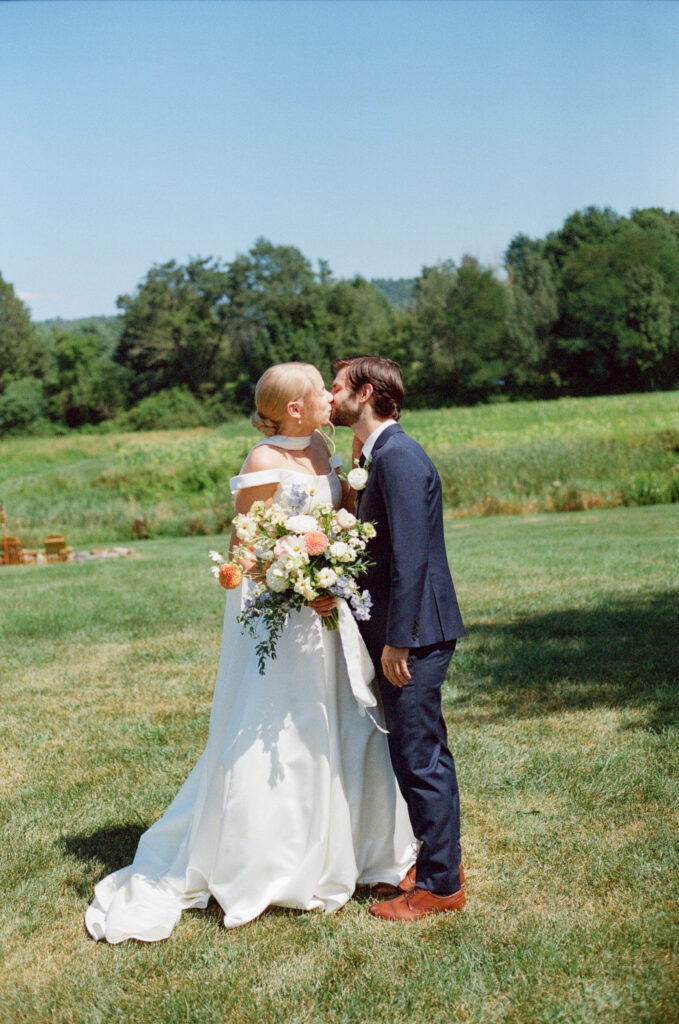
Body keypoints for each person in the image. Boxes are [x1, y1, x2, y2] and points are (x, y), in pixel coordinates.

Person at [85, 362, 415, 942]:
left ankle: (356, 849)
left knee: (337, 721)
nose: (328, 399)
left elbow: (338, 519)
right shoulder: (262, 461)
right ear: (294, 407)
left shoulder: (320, 448)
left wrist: (331, 572)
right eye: (320, 391)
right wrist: (297, 580)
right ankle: (267, 860)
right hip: (277, 614)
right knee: (277, 726)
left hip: (324, 615)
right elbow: (245, 549)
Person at [331, 355, 466, 922]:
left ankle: (440, 887)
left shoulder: (400, 456)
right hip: (401, 629)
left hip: (416, 634)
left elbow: (411, 557)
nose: (328, 395)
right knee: (412, 752)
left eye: (335, 386)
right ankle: (437, 864)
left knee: (420, 755)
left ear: (364, 394)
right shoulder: (375, 455)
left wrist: (399, 641)